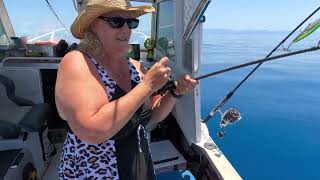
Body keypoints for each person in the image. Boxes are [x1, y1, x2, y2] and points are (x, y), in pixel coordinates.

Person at [55, 0, 198, 179]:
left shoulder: (135, 67)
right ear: (92, 24)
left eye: (131, 22)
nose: (126, 30)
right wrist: (148, 86)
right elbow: (92, 131)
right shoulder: (77, 62)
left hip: (138, 165)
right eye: (116, 21)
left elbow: (152, 115)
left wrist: (175, 92)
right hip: (95, 172)